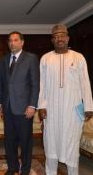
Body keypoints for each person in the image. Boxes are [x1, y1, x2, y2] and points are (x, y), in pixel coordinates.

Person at [38, 24, 93, 175]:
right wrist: (41, 106)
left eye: (62, 35)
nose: (59, 38)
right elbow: (42, 84)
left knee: (72, 144)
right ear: (52, 40)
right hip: (52, 109)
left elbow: (85, 82)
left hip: (72, 110)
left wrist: (88, 106)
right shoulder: (45, 59)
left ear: (68, 38)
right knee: (51, 143)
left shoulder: (78, 57)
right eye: (56, 36)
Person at [0, 31, 40, 175]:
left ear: (22, 42)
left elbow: (35, 84)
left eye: (15, 40)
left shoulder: (31, 58)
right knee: (9, 141)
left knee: (25, 141)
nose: (12, 43)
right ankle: (12, 167)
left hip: (24, 108)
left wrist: (32, 105)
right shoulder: (3, 60)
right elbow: (1, 84)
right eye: (10, 40)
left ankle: (26, 169)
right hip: (8, 107)